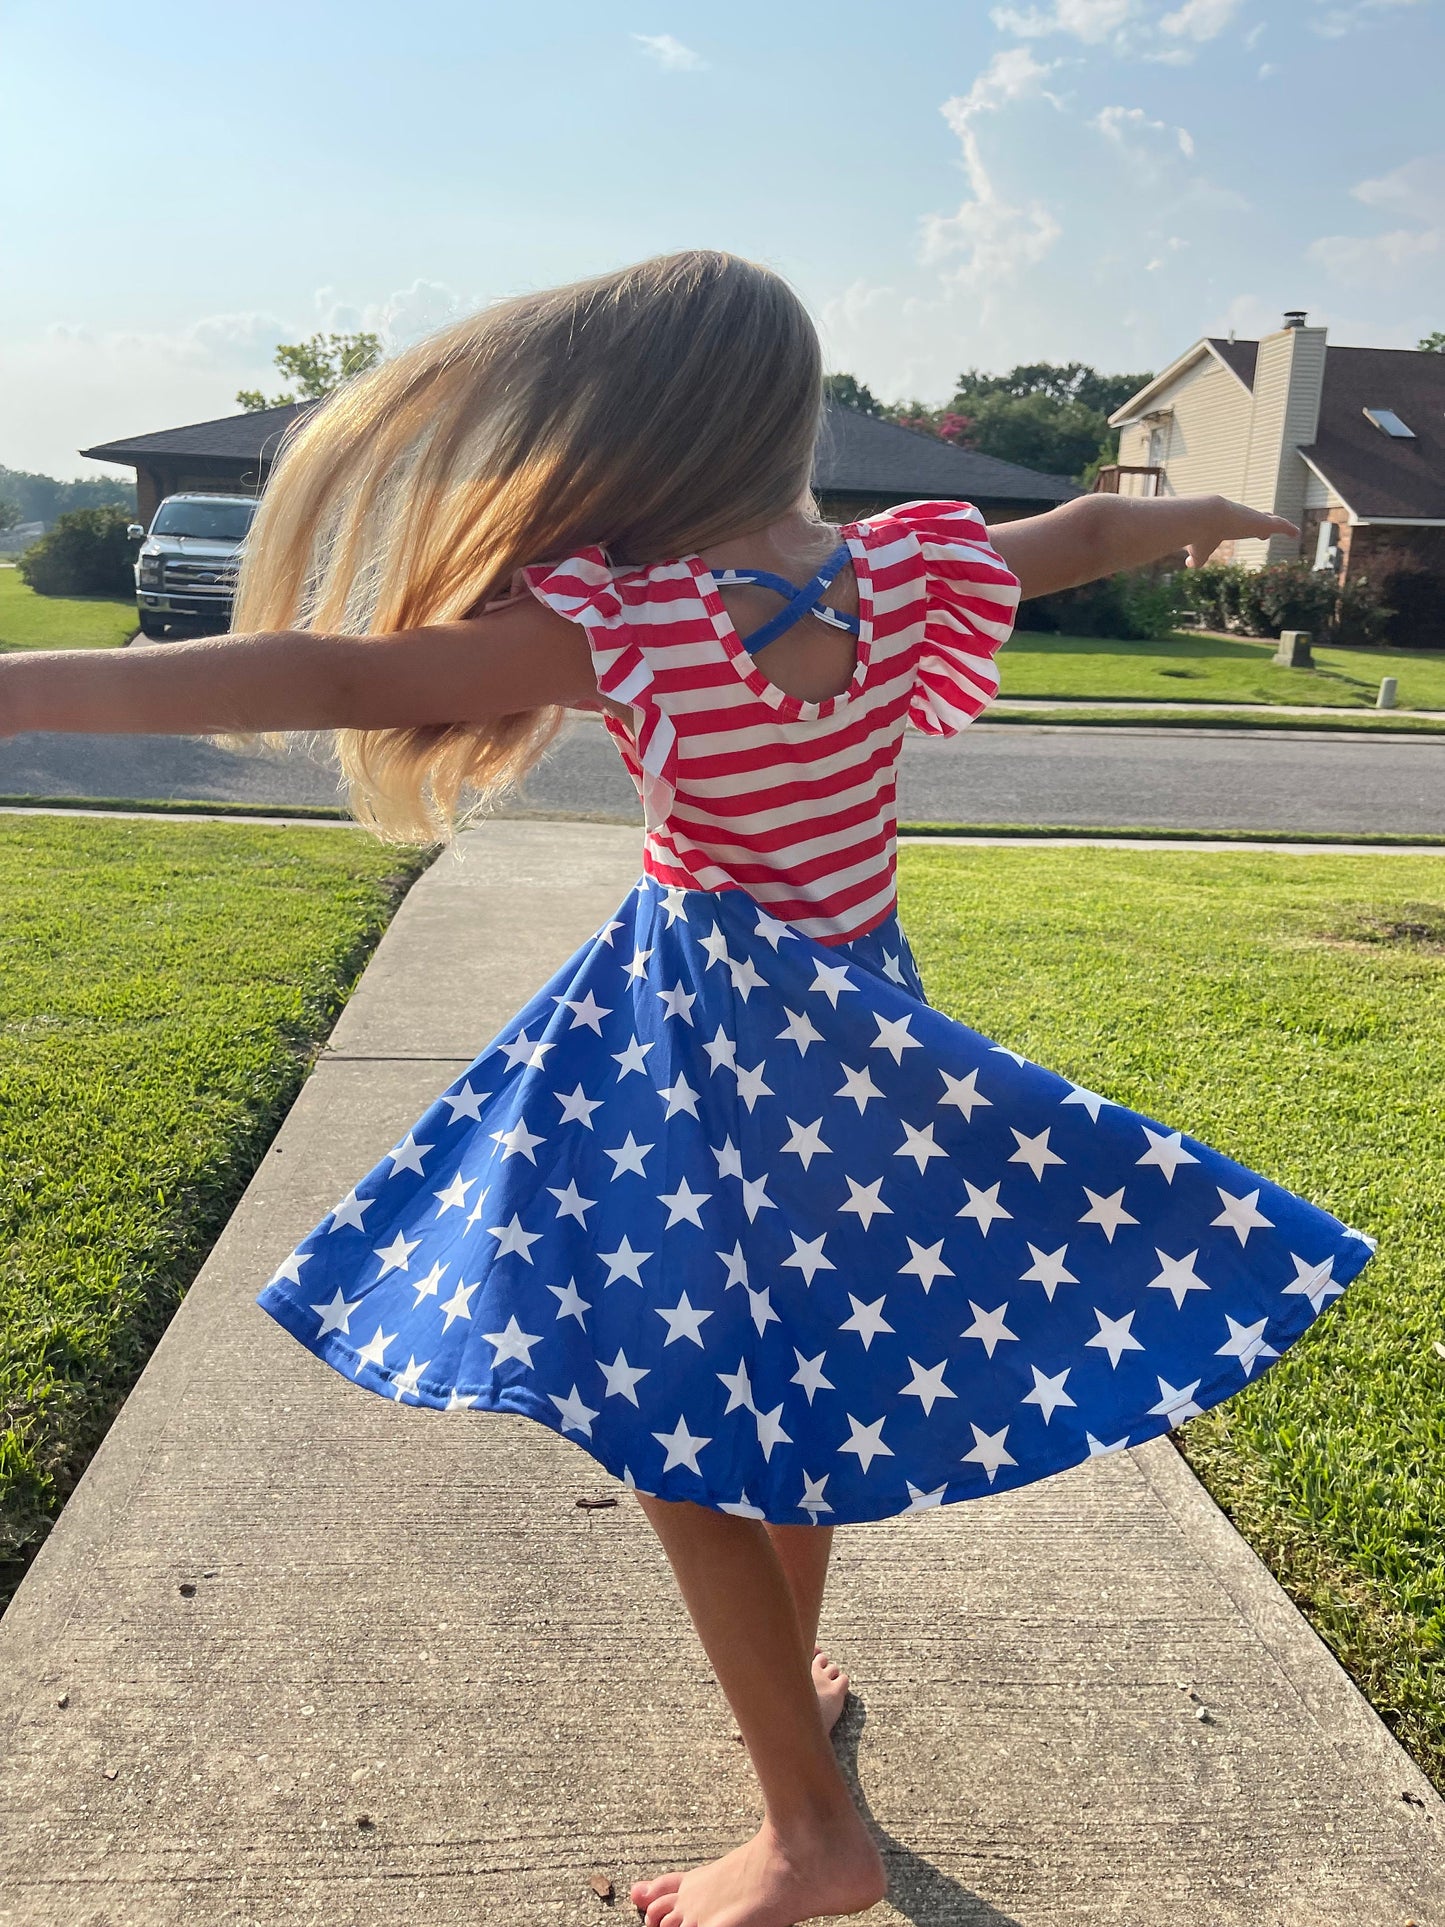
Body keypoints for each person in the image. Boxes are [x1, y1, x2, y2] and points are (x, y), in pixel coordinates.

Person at [2, 251, 1375, 1927]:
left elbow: (332, 674)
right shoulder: (904, 570)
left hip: (703, 1053)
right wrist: (1228, 515)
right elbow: (1085, 533)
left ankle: (812, 1836)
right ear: (779, 418)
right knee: (786, 1388)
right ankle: (791, 1702)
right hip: (859, 1033)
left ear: (624, 427)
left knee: (678, 1430)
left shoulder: (637, 619)